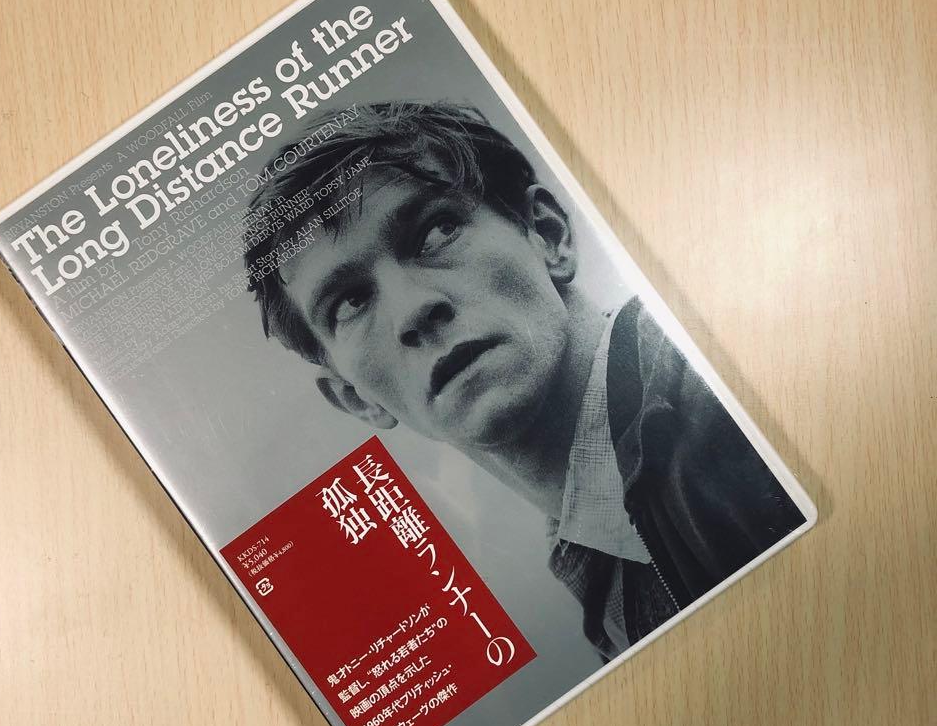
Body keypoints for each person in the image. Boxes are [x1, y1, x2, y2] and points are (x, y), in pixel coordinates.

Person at [242, 102, 805, 661]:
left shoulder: (729, 400)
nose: (412, 310)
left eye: (436, 231)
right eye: (349, 303)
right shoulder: (599, 580)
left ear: (547, 235)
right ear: (356, 399)